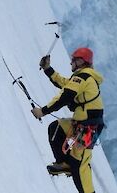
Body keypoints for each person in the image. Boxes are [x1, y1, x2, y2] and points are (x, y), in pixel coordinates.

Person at [31, 47, 104, 193]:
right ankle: (64, 163)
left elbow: (65, 96)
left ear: (82, 62)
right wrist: (48, 69)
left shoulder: (83, 77)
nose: (71, 62)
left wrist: (42, 111)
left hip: (88, 128)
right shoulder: (82, 77)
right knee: (56, 128)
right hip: (82, 125)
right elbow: (65, 85)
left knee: (79, 164)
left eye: (74, 59)